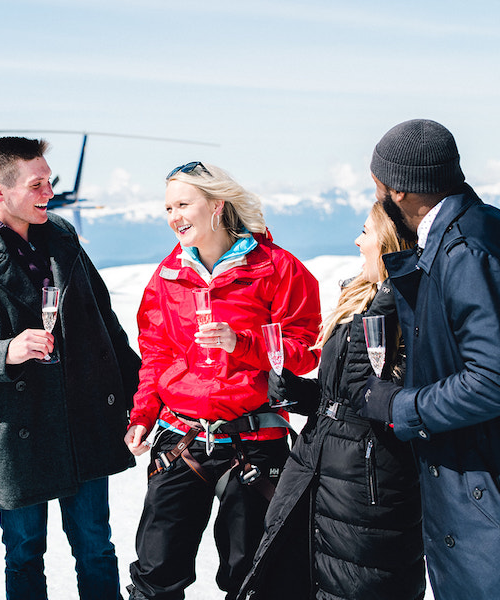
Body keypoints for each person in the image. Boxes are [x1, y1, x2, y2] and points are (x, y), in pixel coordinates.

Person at [0, 136, 141, 600]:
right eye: (37, 185)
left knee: (97, 547)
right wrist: (5, 352)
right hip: (17, 431)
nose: (49, 193)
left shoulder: (61, 235)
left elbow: (105, 322)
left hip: (81, 418)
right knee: (23, 552)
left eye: (49, 182)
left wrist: (141, 398)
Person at [357, 119, 500, 598]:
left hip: (498, 504)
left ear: (398, 190)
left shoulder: (466, 249)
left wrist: (399, 406)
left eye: (378, 182)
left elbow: (496, 381)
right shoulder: (494, 228)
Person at [124, 162, 321, 600]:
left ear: (217, 206)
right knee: (155, 574)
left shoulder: (279, 268)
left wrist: (243, 343)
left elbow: (306, 351)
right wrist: (142, 414)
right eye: (168, 207)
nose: (174, 216)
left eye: (183, 204)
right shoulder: (166, 276)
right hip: (181, 439)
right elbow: (156, 354)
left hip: (254, 440)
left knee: (251, 576)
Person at [238, 200, 425, 600]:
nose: (357, 241)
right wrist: (295, 391)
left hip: (368, 482)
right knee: (293, 576)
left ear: (389, 242)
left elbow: (384, 396)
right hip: (314, 467)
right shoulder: (359, 296)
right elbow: (340, 394)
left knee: (358, 583)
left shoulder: (408, 304)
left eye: (365, 232)